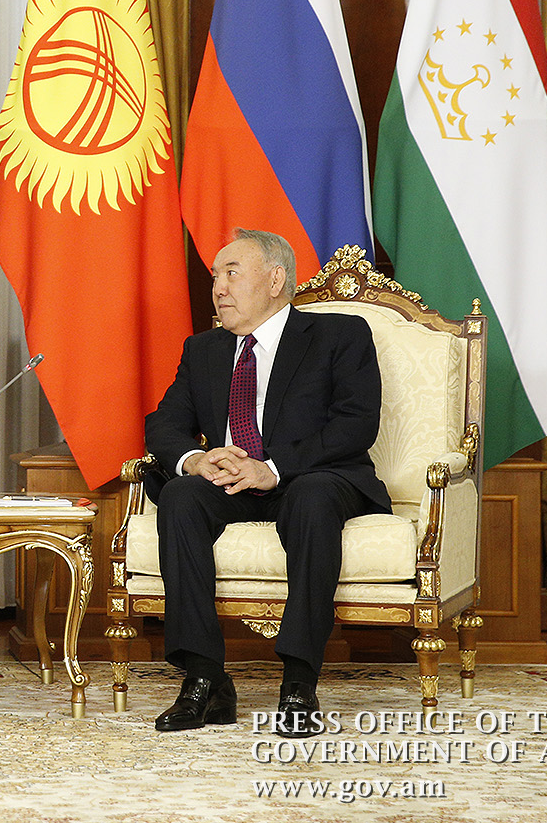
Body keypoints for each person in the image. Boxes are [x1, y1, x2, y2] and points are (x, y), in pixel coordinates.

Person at [143, 228, 385, 739]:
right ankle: (204, 680)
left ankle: (299, 682)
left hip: (311, 477)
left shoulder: (339, 335)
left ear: (276, 280)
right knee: (181, 497)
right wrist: (195, 460)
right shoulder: (203, 349)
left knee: (313, 498)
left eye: (231, 274)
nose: (218, 288)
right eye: (215, 277)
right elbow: (164, 424)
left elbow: (355, 424)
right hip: (230, 480)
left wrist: (272, 467)